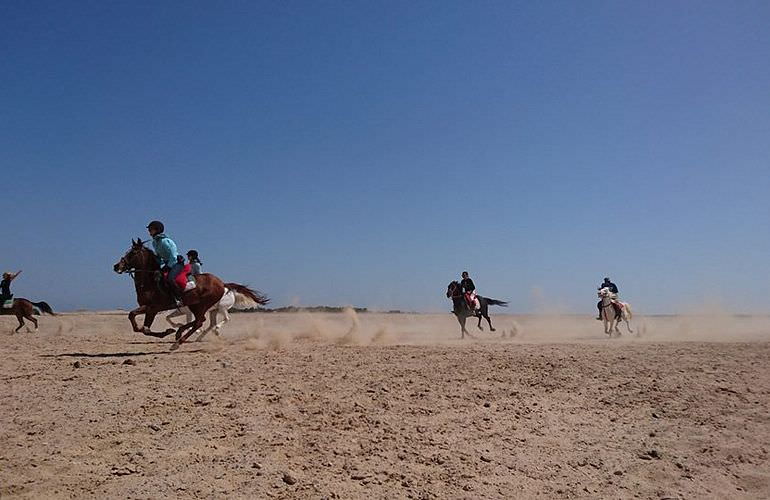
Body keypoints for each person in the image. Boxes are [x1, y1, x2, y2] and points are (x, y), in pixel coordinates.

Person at [146, 220, 186, 304]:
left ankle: (179, 298)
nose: (149, 231)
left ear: (157, 229)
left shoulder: (166, 241)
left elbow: (173, 256)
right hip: (168, 263)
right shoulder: (155, 243)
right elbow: (160, 258)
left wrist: (168, 266)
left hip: (176, 263)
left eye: (150, 229)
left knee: (170, 278)